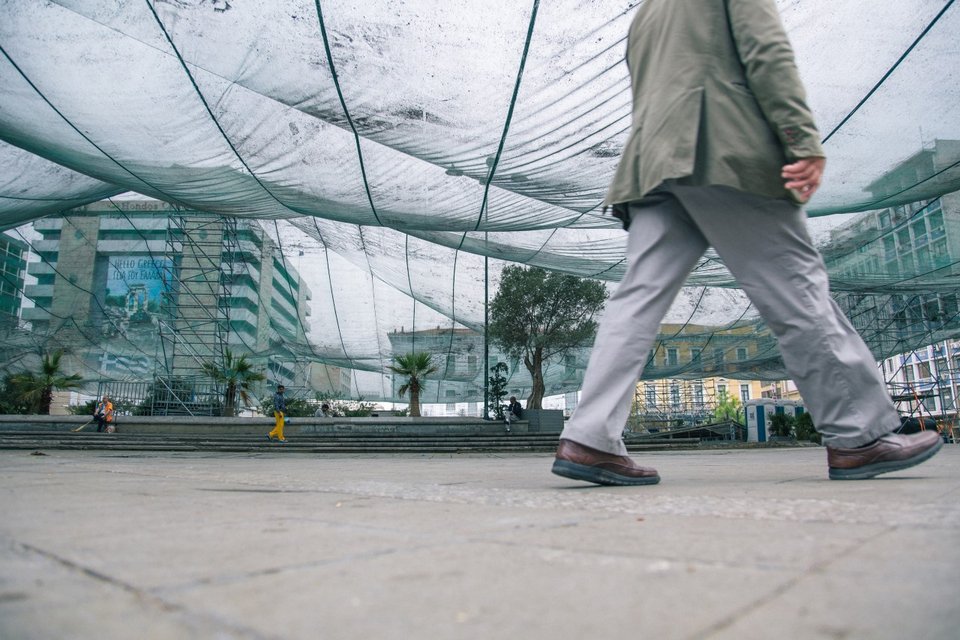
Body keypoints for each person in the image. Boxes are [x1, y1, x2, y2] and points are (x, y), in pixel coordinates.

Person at [552, 0, 943, 485]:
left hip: (652, 163)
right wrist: (802, 140)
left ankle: (589, 437)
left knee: (637, 300)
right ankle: (859, 435)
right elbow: (767, 52)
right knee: (795, 288)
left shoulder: (647, 13)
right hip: (723, 150)